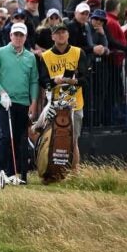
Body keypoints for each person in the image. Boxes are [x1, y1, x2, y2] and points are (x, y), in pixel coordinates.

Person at [0, 22, 39, 187]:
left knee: (20, 139)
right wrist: (2, 92)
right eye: (15, 35)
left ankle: (17, 174)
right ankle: (1, 173)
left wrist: (34, 102)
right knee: (5, 136)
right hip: (4, 101)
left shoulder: (30, 57)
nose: (18, 38)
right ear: (10, 36)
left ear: (25, 37)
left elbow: (34, 81)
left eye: (21, 35)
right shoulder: (0, 53)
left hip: (23, 102)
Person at [37, 23, 89, 169]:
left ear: (68, 35)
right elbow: (42, 81)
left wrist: (74, 81)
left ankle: (74, 173)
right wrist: (55, 81)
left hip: (75, 104)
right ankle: (50, 171)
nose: (61, 35)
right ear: (52, 36)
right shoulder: (46, 56)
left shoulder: (79, 53)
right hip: (53, 104)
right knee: (50, 138)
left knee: (73, 140)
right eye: (57, 33)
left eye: (63, 32)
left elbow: (85, 80)